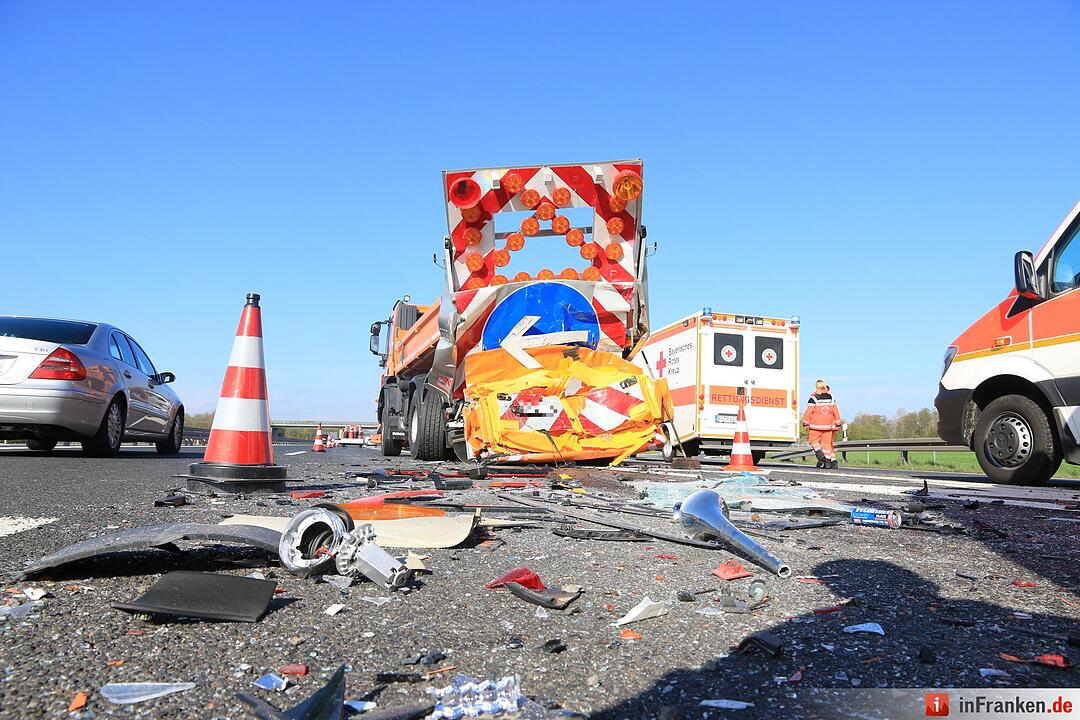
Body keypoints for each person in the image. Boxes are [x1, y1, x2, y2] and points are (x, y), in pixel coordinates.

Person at [803, 379, 843, 468]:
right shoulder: (832, 398)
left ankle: (819, 454)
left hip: (815, 425)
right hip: (828, 426)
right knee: (827, 444)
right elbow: (835, 411)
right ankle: (828, 463)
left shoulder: (813, 398)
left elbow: (808, 412)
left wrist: (805, 422)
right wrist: (838, 422)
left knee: (813, 441)